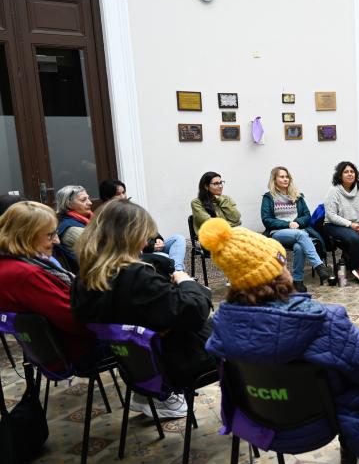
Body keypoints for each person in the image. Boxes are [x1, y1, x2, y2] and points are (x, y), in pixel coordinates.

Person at [198, 218, 359, 461]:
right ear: (276, 273)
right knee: (350, 372)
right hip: (318, 425)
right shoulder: (322, 319)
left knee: (336, 364)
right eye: (282, 263)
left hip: (258, 423)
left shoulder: (221, 325)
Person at [71, 199, 217, 419]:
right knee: (239, 329)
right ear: (129, 236)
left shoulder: (84, 278)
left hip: (135, 367)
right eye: (144, 235)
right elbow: (193, 312)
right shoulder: (134, 276)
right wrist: (186, 281)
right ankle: (256, 409)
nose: (145, 242)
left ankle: (145, 397)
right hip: (176, 362)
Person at [0, 201, 99, 371]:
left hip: (45, 350)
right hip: (75, 350)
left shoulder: (11, 262)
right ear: (26, 236)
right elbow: (76, 323)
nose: (57, 241)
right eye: (50, 235)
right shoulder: (26, 274)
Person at [260, 166, 331, 292]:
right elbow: (267, 220)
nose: (285, 179)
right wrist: (287, 225)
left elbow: (307, 216)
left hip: (298, 231)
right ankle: (319, 266)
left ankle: (297, 280)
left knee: (299, 246)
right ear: (274, 179)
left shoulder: (297, 196)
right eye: (281, 177)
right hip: (278, 233)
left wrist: (297, 222)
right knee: (301, 235)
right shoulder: (269, 197)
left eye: (287, 176)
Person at [100, 180, 187, 273]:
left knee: (178, 238)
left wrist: (158, 238)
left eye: (124, 192)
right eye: (118, 194)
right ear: (108, 197)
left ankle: (177, 271)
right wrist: (152, 247)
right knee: (166, 258)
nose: (123, 196)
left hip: (151, 244)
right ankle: (178, 273)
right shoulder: (109, 217)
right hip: (138, 252)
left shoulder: (131, 209)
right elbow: (129, 243)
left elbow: (149, 228)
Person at [324, 161, 359, 286]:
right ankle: (355, 266)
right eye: (346, 172)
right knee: (355, 239)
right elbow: (331, 215)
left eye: (352, 171)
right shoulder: (334, 191)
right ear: (340, 175)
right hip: (335, 224)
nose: (350, 174)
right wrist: (350, 224)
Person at [55, 185, 94, 270]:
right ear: (68, 204)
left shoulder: (87, 219)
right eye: (83, 200)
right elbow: (102, 253)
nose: (90, 203)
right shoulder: (72, 229)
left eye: (88, 198)